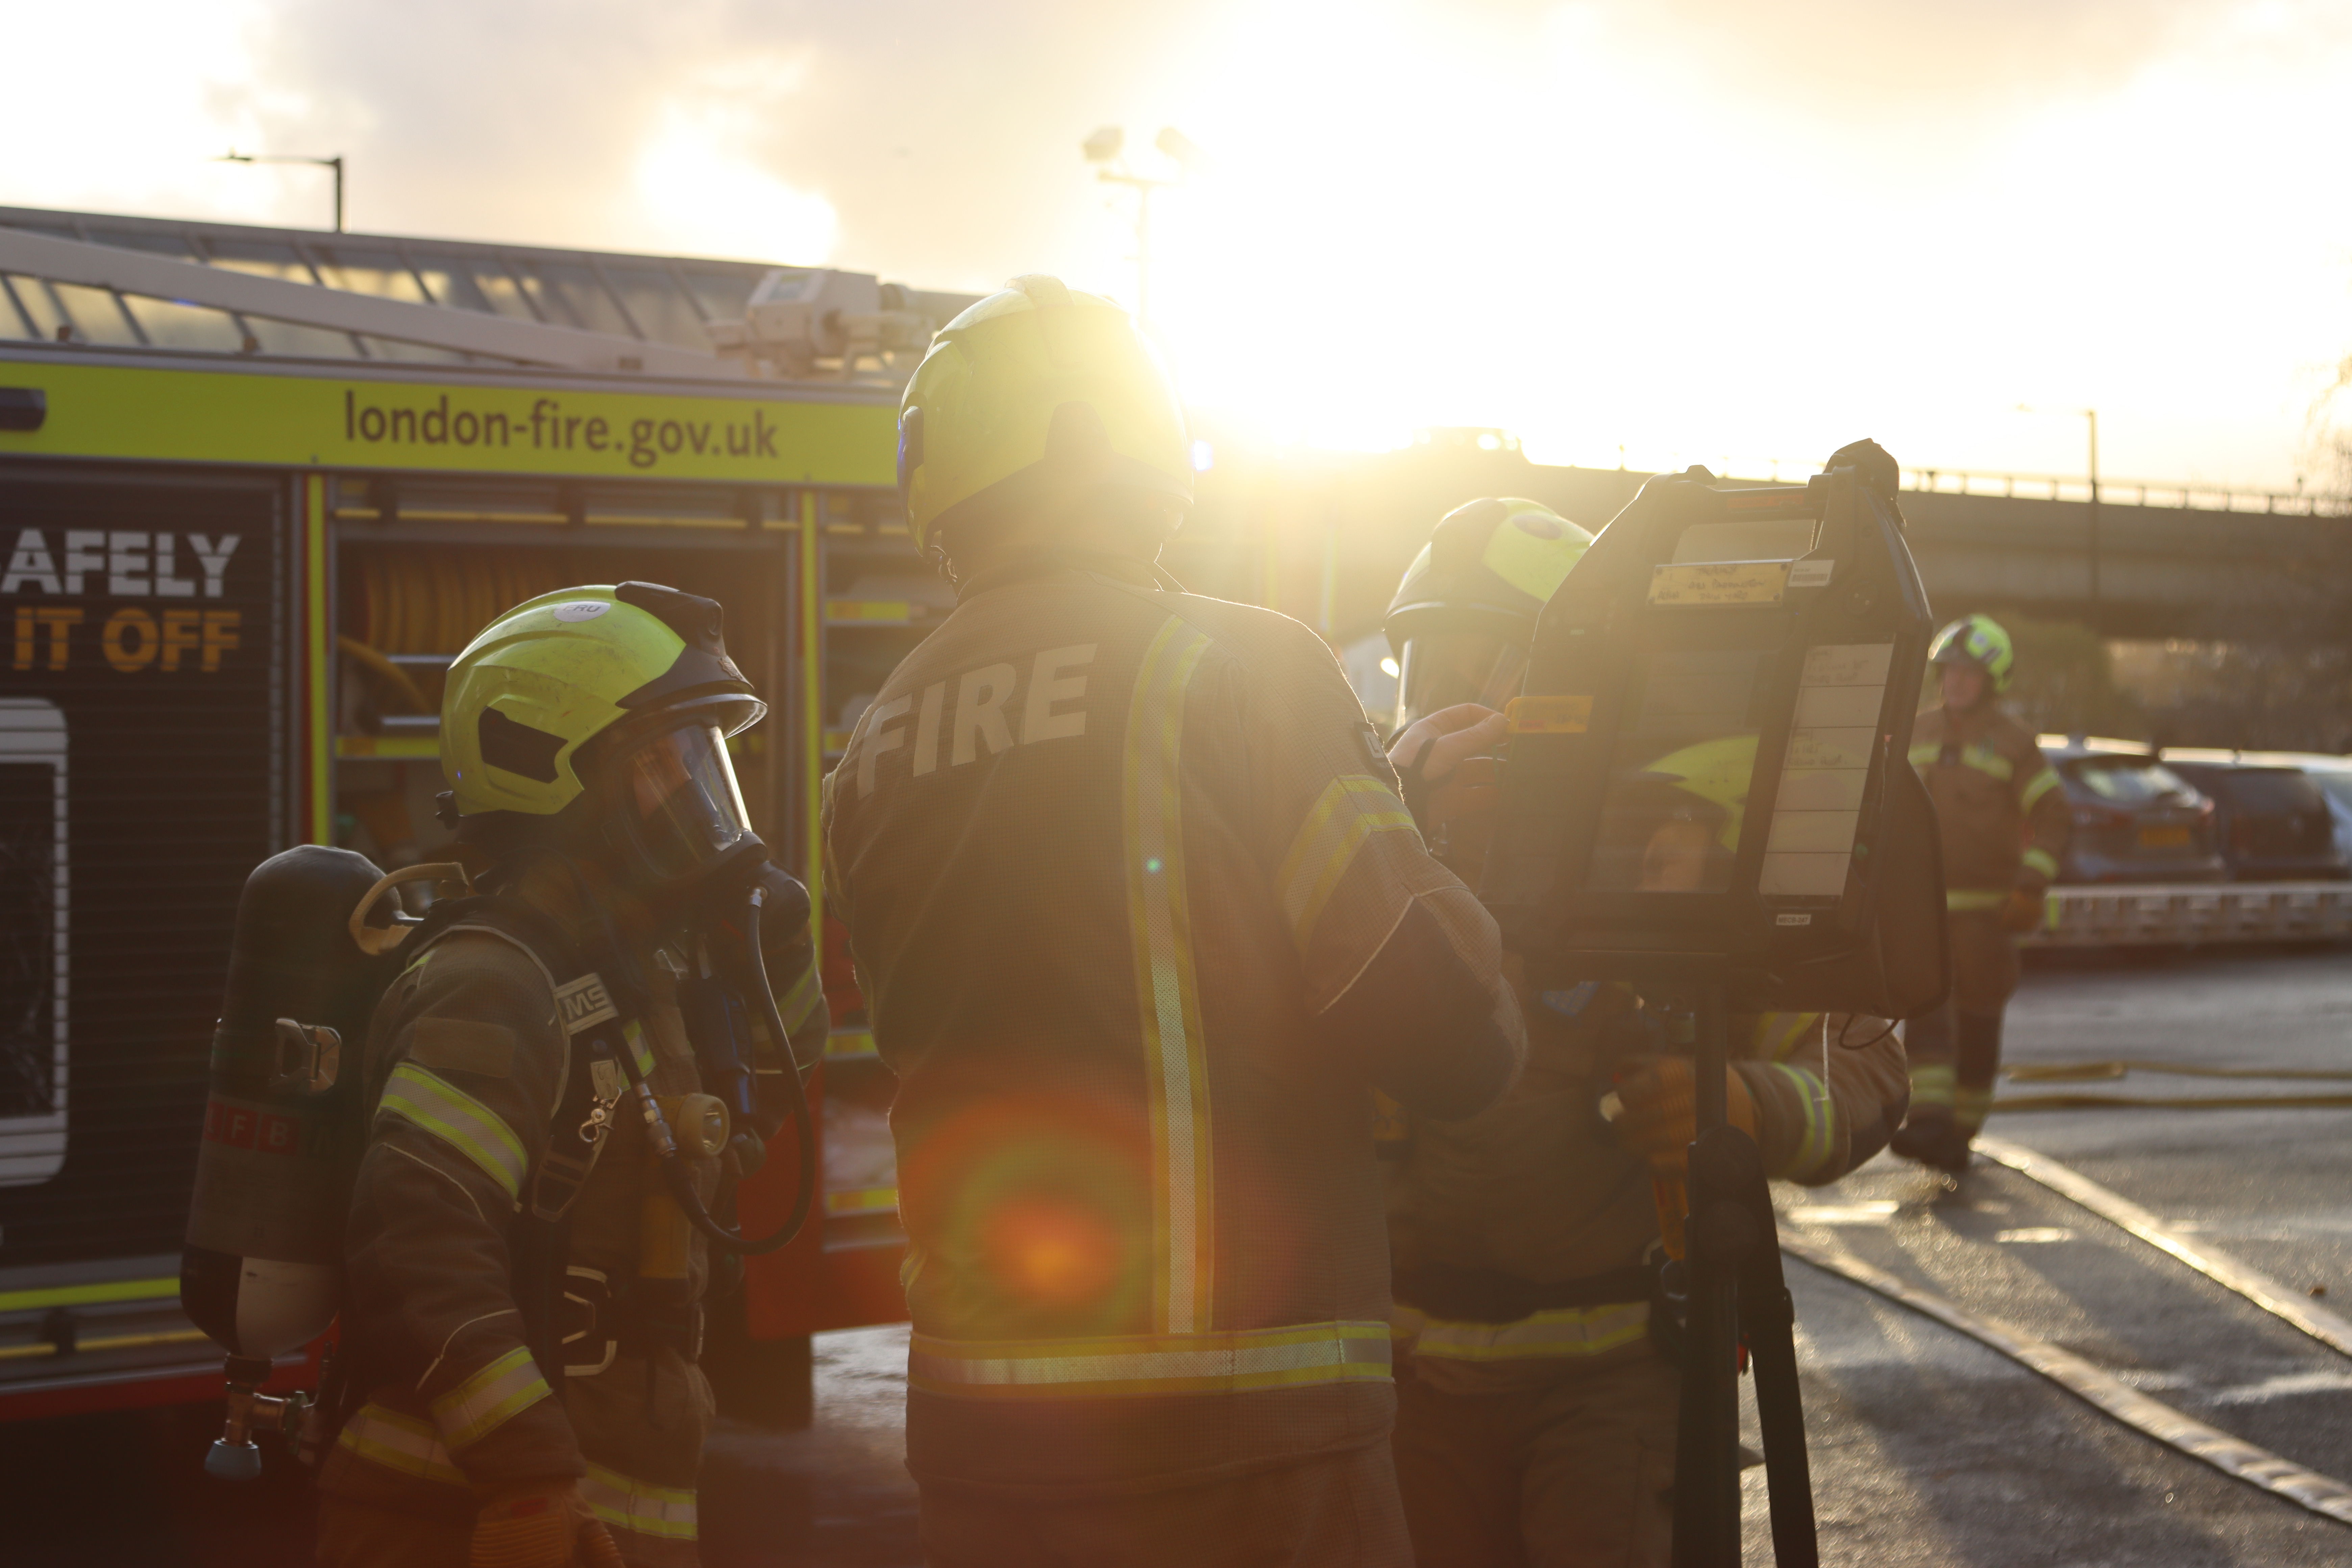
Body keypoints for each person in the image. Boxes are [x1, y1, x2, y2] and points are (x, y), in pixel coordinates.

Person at [823, 275, 1526, 1567]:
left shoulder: (876, 745)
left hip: (985, 1433)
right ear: (1110, 440)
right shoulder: (1239, 666)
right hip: (1243, 1425)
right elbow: (1444, 1033)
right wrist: (1432, 848)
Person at [1376, 494, 1912, 1568]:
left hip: (1612, 1385)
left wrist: (1746, 1110)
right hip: (1406, 1385)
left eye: (1470, 666)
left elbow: (1862, 1068)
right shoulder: (1379, 855)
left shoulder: (1671, 849)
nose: (1437, 710)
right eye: (1422, 672)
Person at [315, 582, 829, 1568]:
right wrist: (525, 1478)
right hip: (454, 1510)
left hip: (615, 1490)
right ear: (550, 778)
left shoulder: (644, 973)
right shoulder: (492, 983)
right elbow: (419, 1237)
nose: (695, 797)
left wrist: (780, 954)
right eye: (660, 765)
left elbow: (757, 1101)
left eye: (702, 763)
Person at [1889, 613, 2070, 1173]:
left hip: (1988, 918)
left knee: (1977, 1022)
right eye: (1949, 672)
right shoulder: (1914, 731)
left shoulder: (2015, 744)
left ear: (1992, 681)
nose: (1956, 682)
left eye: (1969, 674)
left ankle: (1959, 1133)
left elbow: (2055, 816)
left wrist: (2031, 884)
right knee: (1924, 1017)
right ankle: (1929, 1121)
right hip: (1924, 912)